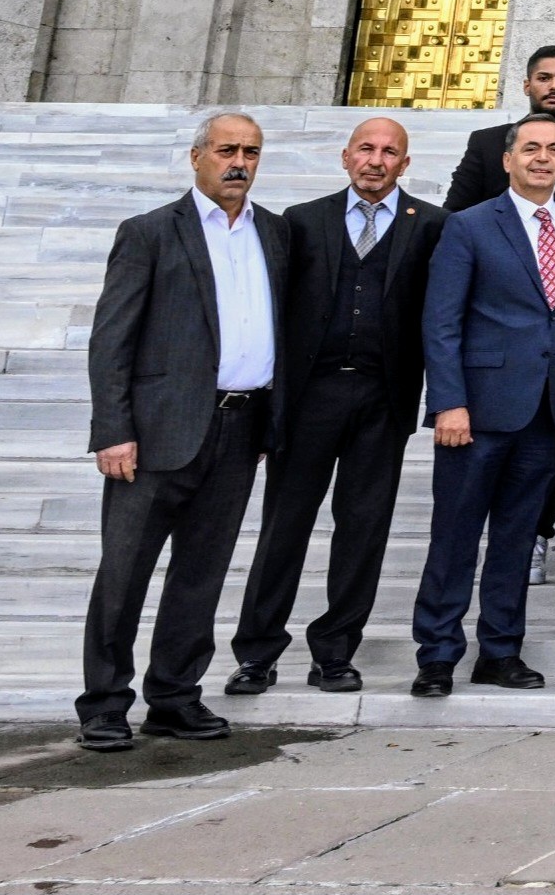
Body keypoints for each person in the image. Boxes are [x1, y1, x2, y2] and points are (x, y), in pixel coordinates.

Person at [77, 114, 286, 749]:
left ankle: (174, 695)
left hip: (240, 427)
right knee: (124, 572)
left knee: (202, 572)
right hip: (157, 434)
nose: (239, 162)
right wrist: (113, 429)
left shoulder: (274, 233)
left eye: (250, 151)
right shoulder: (148, 233)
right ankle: (106, 704)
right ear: (197, 157)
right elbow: (112, 337)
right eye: (226, 150)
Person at [227, 117, 443, 697]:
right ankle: (257, 652)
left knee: (363, 529)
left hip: (383, 399)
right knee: (284, 526)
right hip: (310, 398)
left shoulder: (431, 225)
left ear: (405, 163)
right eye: (366, 149)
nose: (376, 160)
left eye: (389, 152)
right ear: (345, 157)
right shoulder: (302, 221)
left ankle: (336, 652)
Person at [411, 112, 555, 697]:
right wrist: (448, 403)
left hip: (546, 415)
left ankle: (500, 651)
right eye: (530, 149)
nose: (542, 158)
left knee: (518, 539)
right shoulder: (469, 225)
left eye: (554, 150)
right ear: (508, 158)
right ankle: (437, 655)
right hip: (477, 411)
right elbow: (441, 322)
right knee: (455, 536)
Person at [445, 45, 555, 215]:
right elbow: (456, 211)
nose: (554, 86)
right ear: (527, 86)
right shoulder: (487, 143)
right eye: (544, 78)